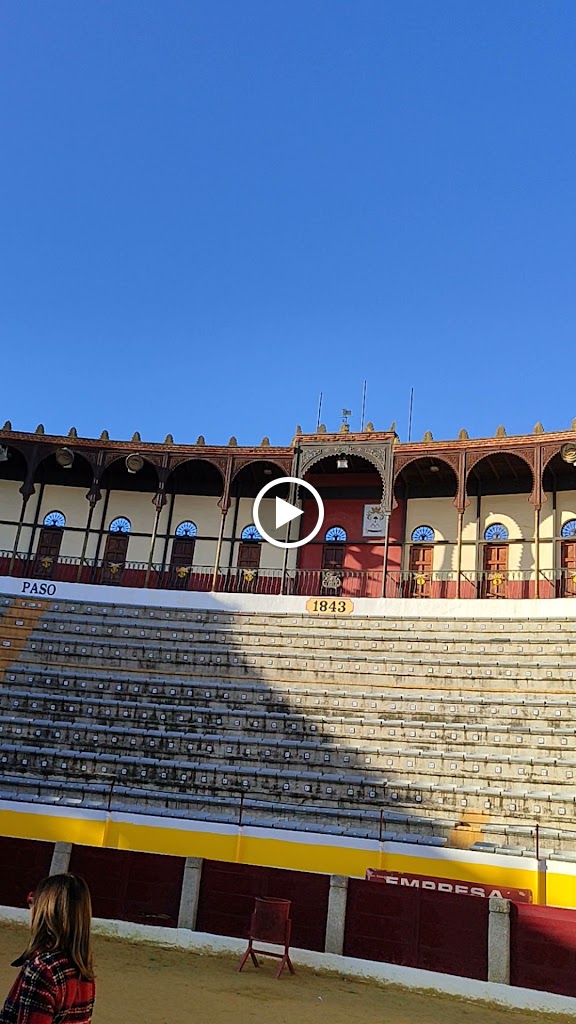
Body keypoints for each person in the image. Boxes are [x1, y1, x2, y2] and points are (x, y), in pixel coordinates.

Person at [0, 874, 95, 1024]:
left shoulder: (42, 969)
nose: (31, 911)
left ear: (45, 912)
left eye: (33, 905)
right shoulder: (82, 967)